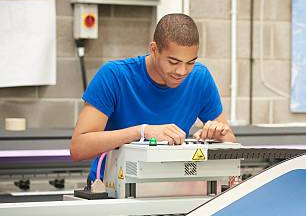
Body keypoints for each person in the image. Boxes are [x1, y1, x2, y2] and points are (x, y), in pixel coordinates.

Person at [70, 13, 235, 181]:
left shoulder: (200, 78)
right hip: (112, 189)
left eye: (190, 62)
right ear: (154, 49)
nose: (182, 71)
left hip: (171, 188)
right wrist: (143, 131)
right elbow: (79, 148)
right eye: (173, 62)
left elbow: (230, 140)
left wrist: (218, 135)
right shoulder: (114, 76)